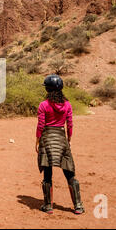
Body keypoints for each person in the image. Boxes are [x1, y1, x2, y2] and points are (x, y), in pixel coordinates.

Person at [35, 74, 84, 215]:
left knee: (47, 173)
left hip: (47, 139)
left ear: (48, 89)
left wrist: (37, 141)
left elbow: (41, 125)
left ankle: (48, 205)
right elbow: (70, 124)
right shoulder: (67, 104)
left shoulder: (43, 105)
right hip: (62, 139)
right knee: (69, 173)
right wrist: (69, 139)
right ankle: (78, 205)